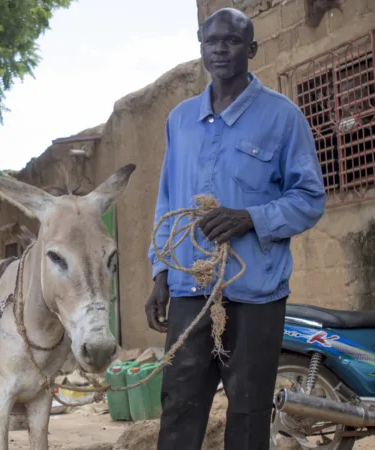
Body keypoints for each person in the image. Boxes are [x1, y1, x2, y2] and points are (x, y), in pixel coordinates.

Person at [145, 8, 326, 450]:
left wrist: (251, 217)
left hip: (256, 294)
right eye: (212, 41)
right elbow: (168, 199)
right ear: (202, 48)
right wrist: (160, 274)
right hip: (191, 288)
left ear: (252, 48)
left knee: (248, 411)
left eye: (231, 41)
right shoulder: (180, 120)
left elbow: (310, 199)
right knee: (179, 405)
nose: (220, 49)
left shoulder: (283, 118)